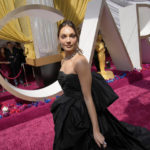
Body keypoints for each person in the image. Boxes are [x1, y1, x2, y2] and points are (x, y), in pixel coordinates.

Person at [51, 20, 150, 150]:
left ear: (77, 38)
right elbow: (69, 83)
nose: (68, 40)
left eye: (72, 36)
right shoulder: (64, 59)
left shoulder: (80, 62)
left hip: (82, 114)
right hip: (68, 111)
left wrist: (96, 131)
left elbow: (88, 97)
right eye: (64, 36)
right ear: (58, 39)